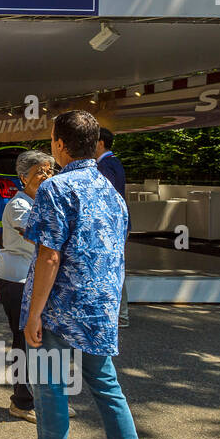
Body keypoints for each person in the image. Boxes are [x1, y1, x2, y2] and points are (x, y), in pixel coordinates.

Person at [0, 110, 154, 439]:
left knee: (50, 391)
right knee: (109, 392)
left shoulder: (56, 189)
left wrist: (33, 315)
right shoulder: (110, 190)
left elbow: (48, 256)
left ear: (60, 144)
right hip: (100, 310)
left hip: (61, 310)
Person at [0, 150, 55, 422]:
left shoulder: (45, 203)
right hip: (16, 279)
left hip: (36, 279)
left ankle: (48, 401)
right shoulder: (18, 206)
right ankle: (21, 401)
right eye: (40, 172)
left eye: (50, 171)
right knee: (24, 341)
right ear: (22, 178)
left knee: (44, 342)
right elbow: (41, 238)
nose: (46, 176)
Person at [96, 126, 130, 328]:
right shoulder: (113, 162)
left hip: (111, 227)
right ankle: (118, 314)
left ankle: (120, 315)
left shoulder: (105, 166)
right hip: (117, 225)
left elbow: (106, 199)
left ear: (100, 143)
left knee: (112, 269)